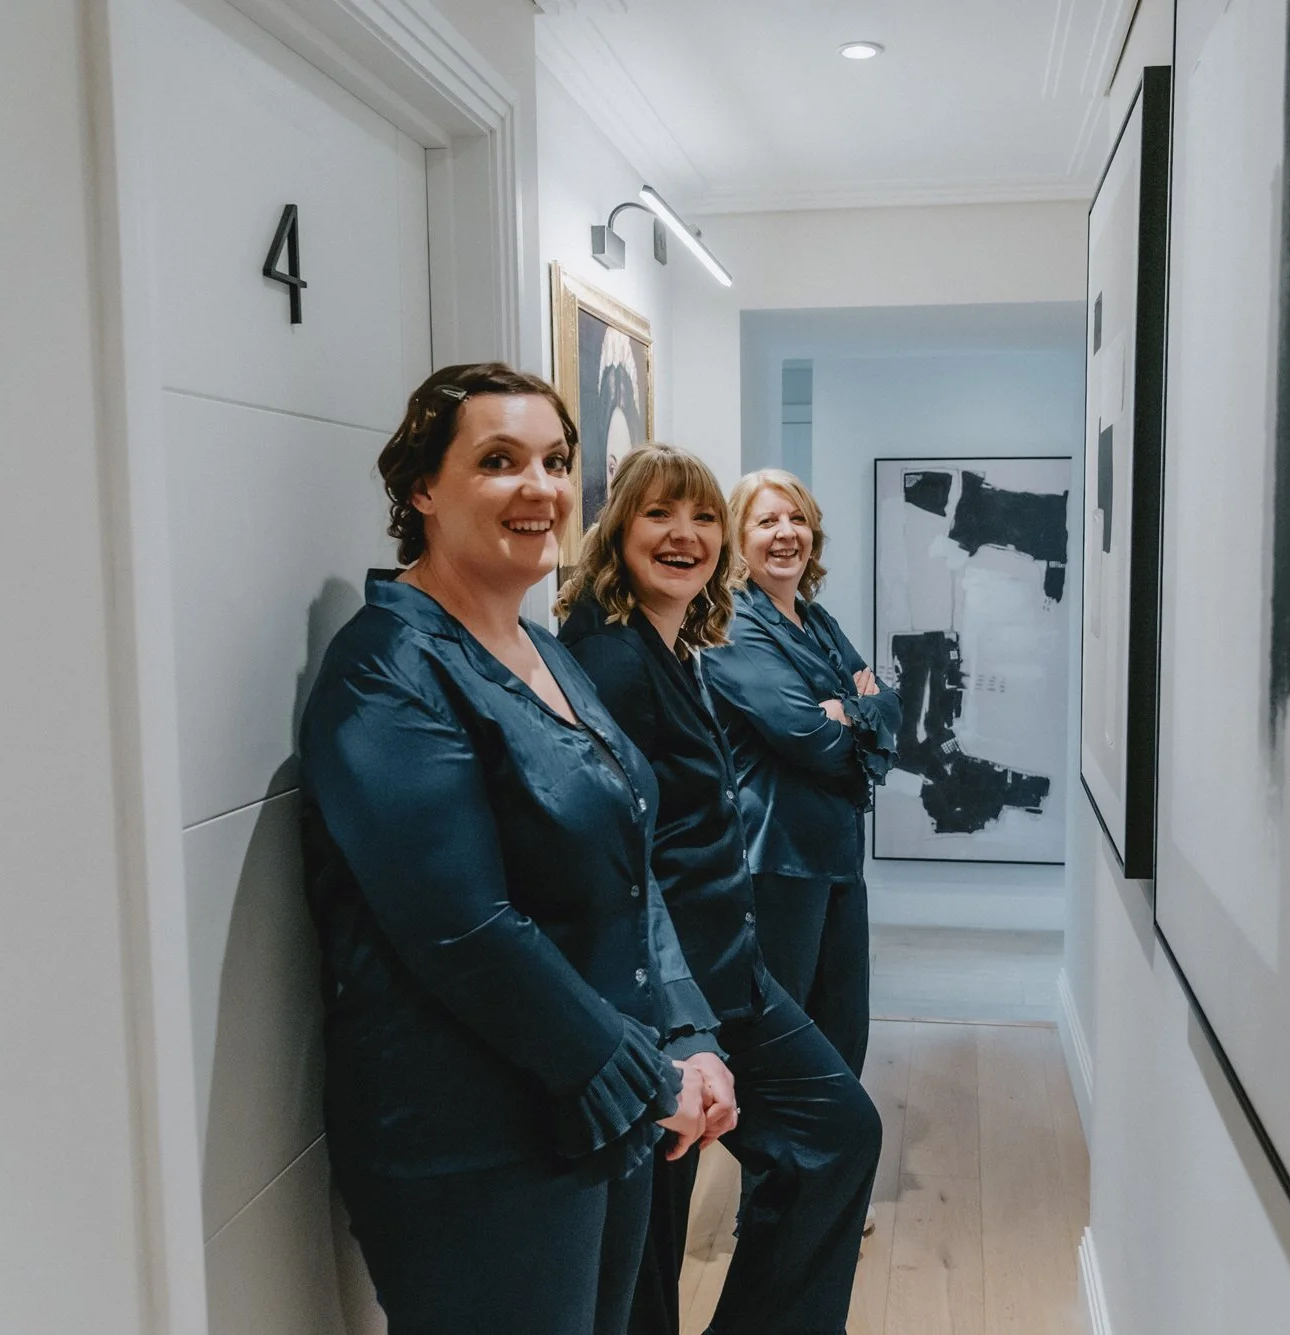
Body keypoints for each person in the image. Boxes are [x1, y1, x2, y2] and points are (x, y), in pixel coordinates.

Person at [298, 365, 734, 1335]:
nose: (539, 488)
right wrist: (641, 1072)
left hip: (604, 1104)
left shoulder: (550, 651)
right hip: (476, 1136)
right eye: (498, 462)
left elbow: (631, 854)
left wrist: (686, 1032)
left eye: (555, 462)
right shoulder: (385, 673)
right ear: (421, 489)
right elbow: (461, 928)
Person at [557, 445, 882, 1335]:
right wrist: (679, 1014)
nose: (686, 534)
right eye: (663, 514)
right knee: (669, 1216)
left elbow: (876, 713)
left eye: (701, 517)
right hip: (671, 990)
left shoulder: (667, 647)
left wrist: (860, 710)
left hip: (722, 966)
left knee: (828, 1138)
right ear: (617, 527)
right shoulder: (613, 662)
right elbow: (621, 853)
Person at [702, 470, 900, 1081]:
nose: (786, 533)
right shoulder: (733, 626)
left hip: (837, 851)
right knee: (788, 1046)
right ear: (738, 539)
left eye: (796, 518)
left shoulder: (816, 621)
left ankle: (832, 1171)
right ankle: (785, 1176)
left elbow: (890, 709)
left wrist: (858, 712)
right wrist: (856, 712)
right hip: (779, 861)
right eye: (766, 521)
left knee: (843, 1033)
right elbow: (809, 737)